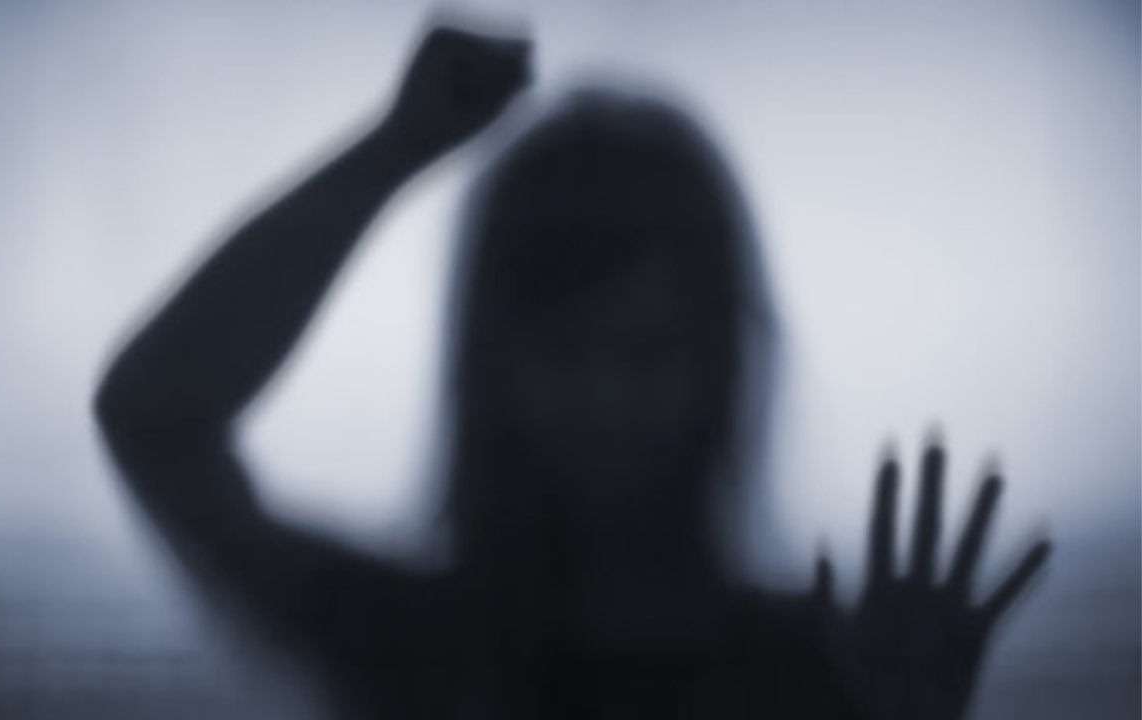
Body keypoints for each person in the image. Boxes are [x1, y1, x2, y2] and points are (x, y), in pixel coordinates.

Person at [94, 22, 1051, 719]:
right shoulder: (399, 636)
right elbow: (152, 419)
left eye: (645, 350)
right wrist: (391, 150)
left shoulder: (401, 643)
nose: (603, 395)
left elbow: (154, 424)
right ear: (492, 360)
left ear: (720, 358)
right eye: (562, 348)